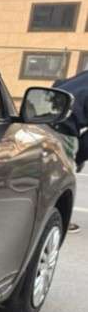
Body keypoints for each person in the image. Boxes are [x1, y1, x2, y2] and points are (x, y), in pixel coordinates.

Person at [53, 72, 87, 233]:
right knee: (64, 179)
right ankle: (58, 220)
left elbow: (58, 83)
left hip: (40, 119)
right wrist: (78, 157)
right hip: (64, 128)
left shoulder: (82, 76)